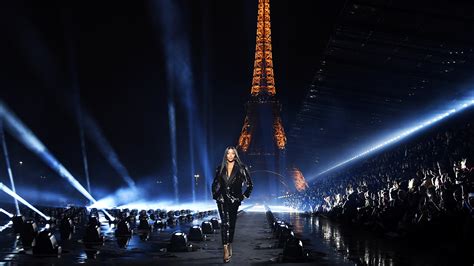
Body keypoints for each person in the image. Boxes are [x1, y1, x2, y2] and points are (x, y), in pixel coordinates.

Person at [212, 146, 253, 263]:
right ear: (226, 155)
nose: (230, 155)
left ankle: (229, 244)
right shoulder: (220, 168)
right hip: (221, 199)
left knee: (231, 224)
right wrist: (215, 194)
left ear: (235, 155)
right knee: (224, 224)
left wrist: (242, 197)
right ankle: (225, 248)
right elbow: (215, 183)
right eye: (228, 153)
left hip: (234, 200)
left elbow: (250, 185)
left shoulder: (241, 168)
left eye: (232, 153)